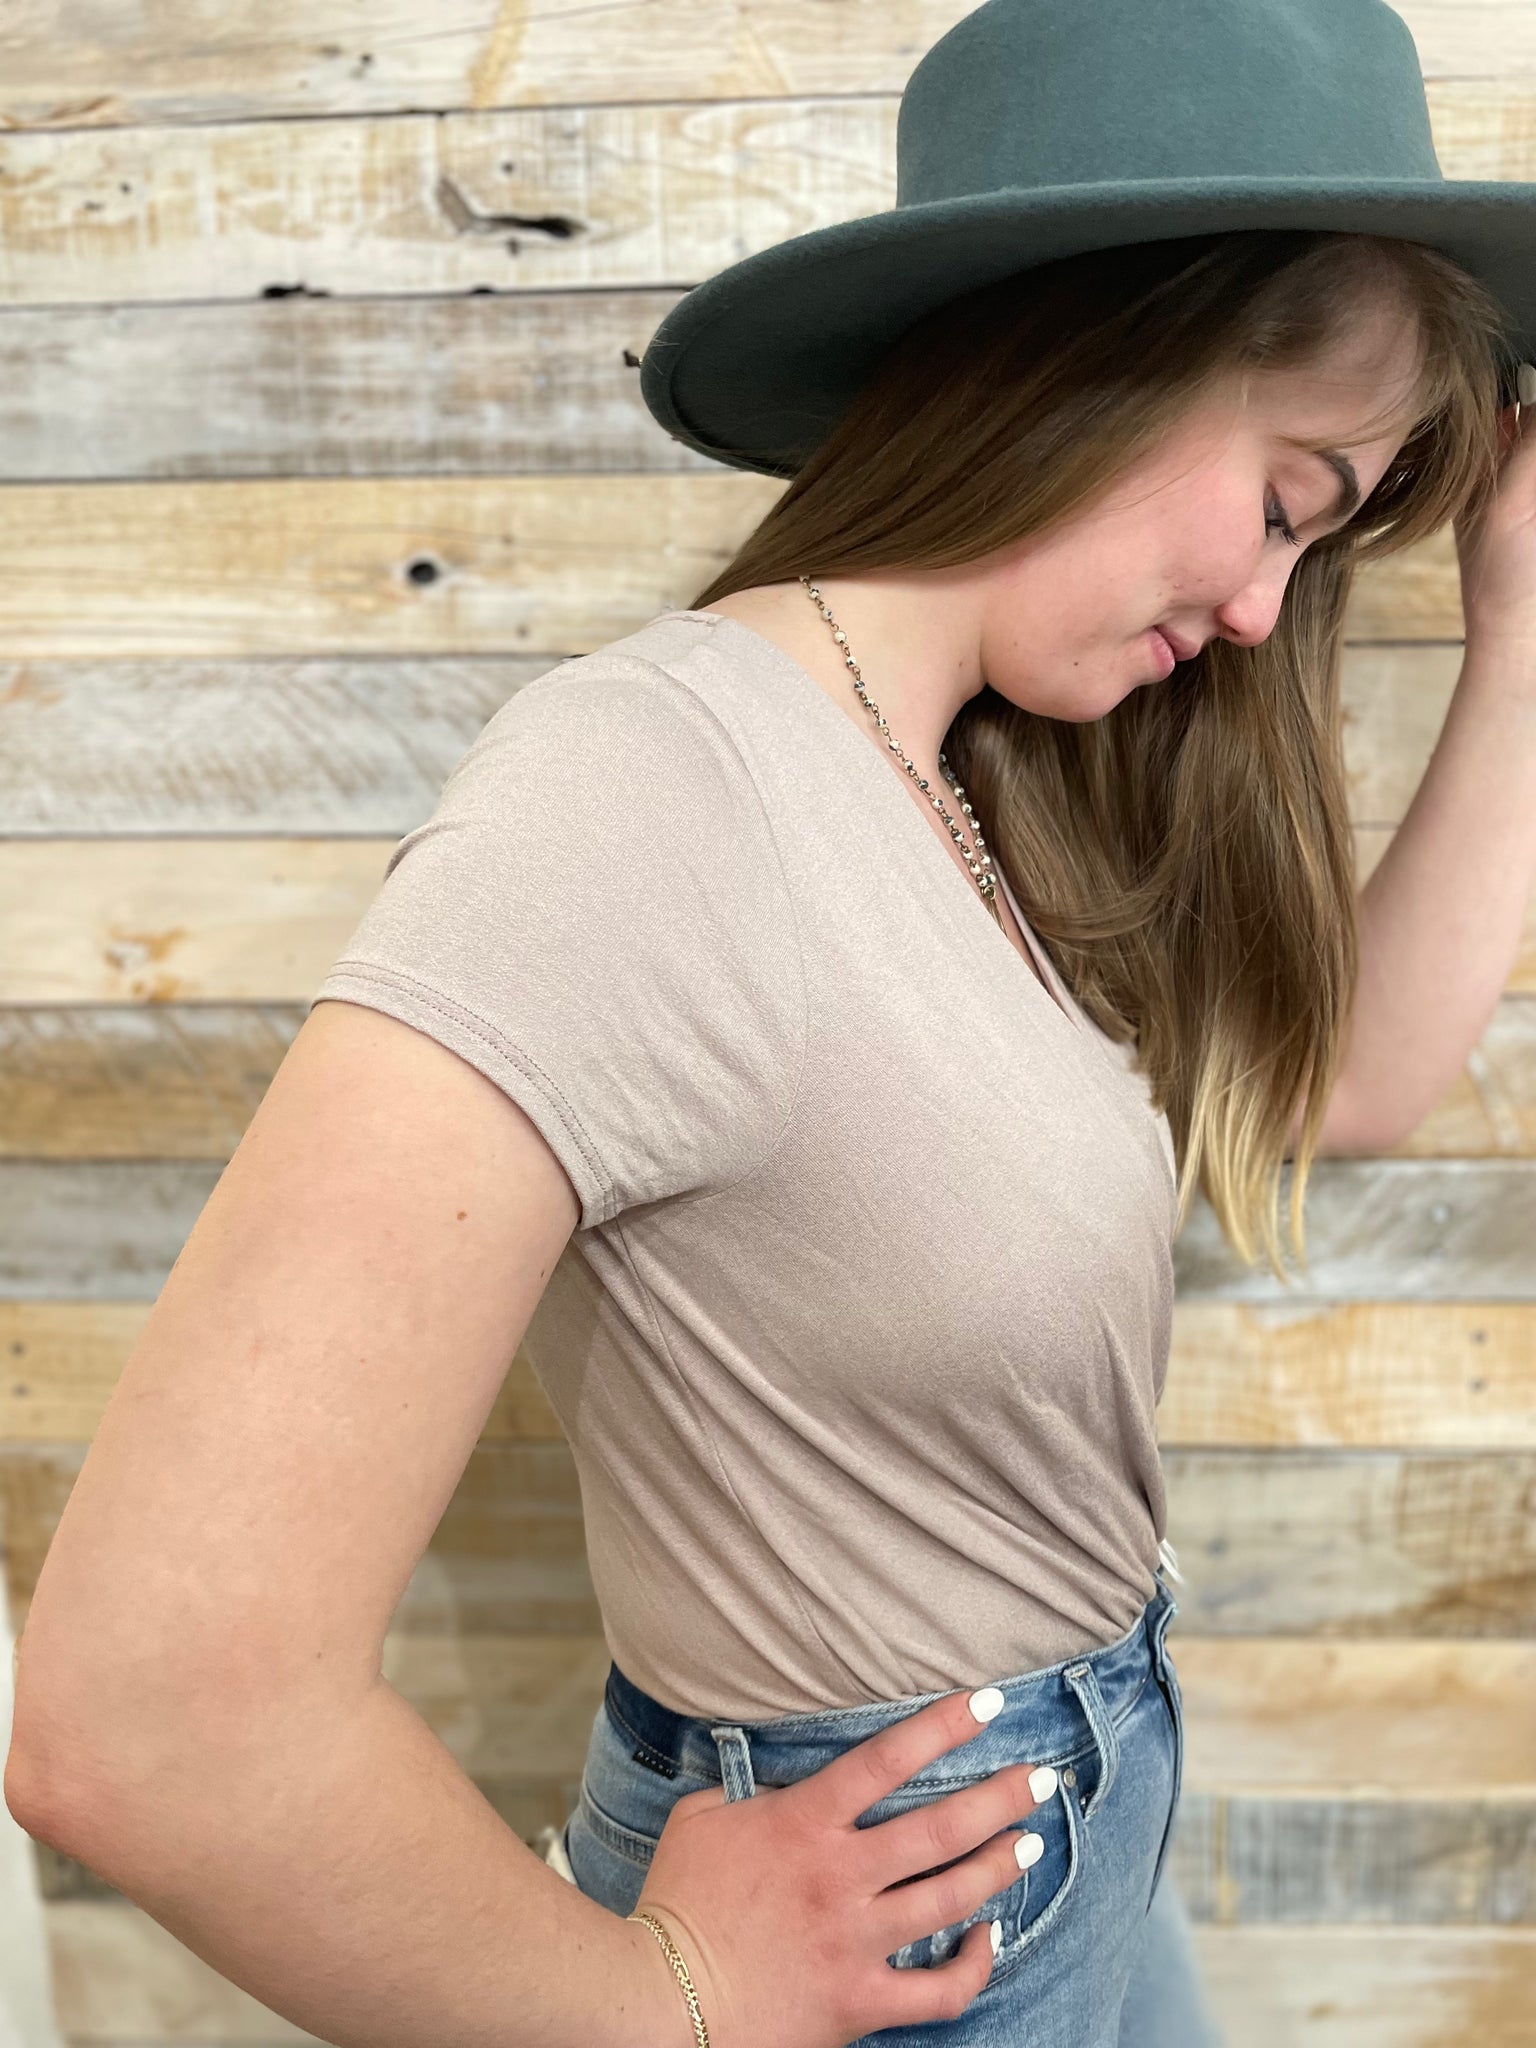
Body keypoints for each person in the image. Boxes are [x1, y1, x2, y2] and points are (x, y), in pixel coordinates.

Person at [9, 4, 1536, 2048]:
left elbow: (1348, 1078)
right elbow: (147, 1716)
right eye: (1283, 499)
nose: (1267, 611)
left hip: (1077, 1832)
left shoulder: (982, 786)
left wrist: (1521, 621)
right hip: (900, 1932)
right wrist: (670, 1994)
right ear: (1096, 352)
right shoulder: (650, 790)